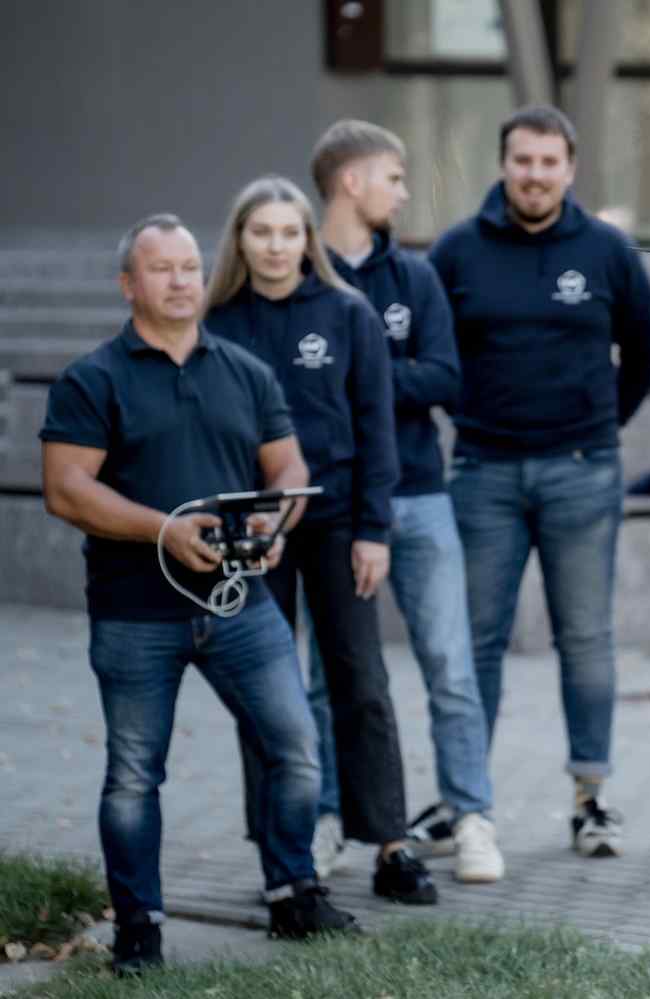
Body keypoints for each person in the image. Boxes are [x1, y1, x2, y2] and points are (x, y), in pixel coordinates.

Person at [39, 215, 358, 975]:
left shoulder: (244, 371)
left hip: (242, 604)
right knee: (133, 776)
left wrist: (277, 520)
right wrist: (164, 529)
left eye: (189, 267)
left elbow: (288, 467)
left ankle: (293, 893)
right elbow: (66, 489)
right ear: (129, 284)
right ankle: (138, 928)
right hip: (135, 614)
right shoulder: (93, 378)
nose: (181, 281)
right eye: (162, 269)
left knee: (295, 749)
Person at [428, 105, 650, 858]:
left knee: (586, 641)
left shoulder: (606, 251)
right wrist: (471, 416)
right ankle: (465, 803)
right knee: (473, 643)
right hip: (482, 474)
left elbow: (645, 353)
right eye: (522, 161)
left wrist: (599, 422)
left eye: (548, 162)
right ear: (504, 164)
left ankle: (591, 800)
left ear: (570, 169)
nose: (534, 175)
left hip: (582, 473)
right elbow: (433, 355)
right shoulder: (456, 252)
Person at [204, 176, 439, 905]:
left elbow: (375, 429)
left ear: (308, 240)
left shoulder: (347, 313)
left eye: (289, 232)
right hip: (253, 527)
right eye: (261, 232)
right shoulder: (216, 322)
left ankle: (391, 844)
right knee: (263, 689)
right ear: (240, 241)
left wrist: (374, 530)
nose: (276, 246)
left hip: (338, 522)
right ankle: (284, 853)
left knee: (360, 681)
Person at [303, 119, 501, 883]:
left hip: (419, 498)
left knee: (451, 666)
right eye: (393, 176)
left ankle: (471, 816)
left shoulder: (414, 277)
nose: (404, 192)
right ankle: (326, 816)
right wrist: (381, 379)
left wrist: (357, 378)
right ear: (351, 182)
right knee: (327, 677)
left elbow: (445, 377)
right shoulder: (299, 275)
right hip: (329, 510)